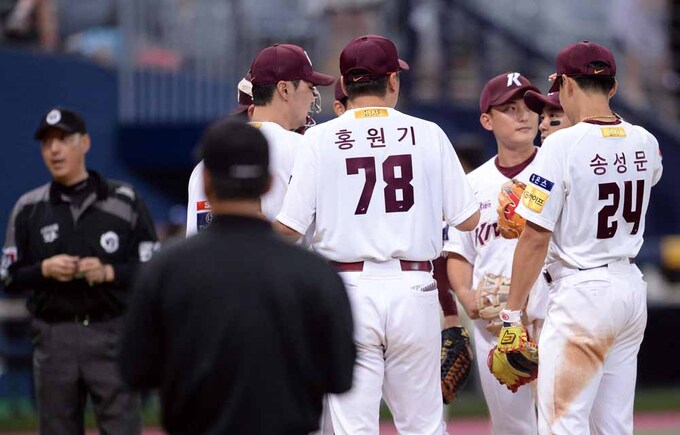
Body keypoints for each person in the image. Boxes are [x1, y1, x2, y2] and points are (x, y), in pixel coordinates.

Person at [275, 34, 480, 434]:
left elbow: (288, 229)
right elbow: (468, 220)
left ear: (346, 85)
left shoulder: (318, 138)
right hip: (413, 288)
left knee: (353, 427)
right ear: (393, 81)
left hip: (346, 288)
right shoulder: (428, 133)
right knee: (423, 424)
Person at [119, 120, 355, 435]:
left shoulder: (166, 269)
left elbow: (135, 371)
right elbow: (340, 377)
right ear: (269, 183)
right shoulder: (314, 273)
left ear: (207, 181)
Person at [496, 41, 663, 434]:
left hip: (582, 292)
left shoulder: (560, 145)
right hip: (628, 288)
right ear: (613, 88)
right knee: (614, 424)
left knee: (562, 422)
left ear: (566, 84)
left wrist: (511, 317)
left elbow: (535, 237)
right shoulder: (645, 140)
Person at [0, 107, 157, 434]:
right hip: (53, 336)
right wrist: (44, 269)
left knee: (123, 429)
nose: (54, 149)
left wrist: (108, 273)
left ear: (84, 142)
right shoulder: (28, 208)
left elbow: (152, 271)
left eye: (63, 140)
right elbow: (8, 276)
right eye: (46, 143)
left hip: (111, 332)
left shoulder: (125, 201)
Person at [444, 72, 546, 434]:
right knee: (511, 428)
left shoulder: (559, 168)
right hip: (496, 323)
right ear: (487, 120)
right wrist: (467, 296)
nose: (524, 116)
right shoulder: (472, 185)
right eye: (510, 109)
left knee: (565, 420)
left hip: (554, 314)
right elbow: (457, 252)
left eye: (530, 108)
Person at [185, 44, 335, 236]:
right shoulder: (305, 148)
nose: (313, 97)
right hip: (285, 264)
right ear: (285, 90)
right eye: (310, 87)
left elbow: (199, 240)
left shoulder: (209, 160)